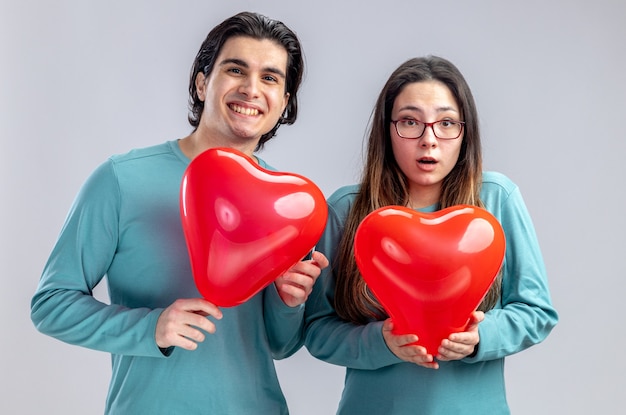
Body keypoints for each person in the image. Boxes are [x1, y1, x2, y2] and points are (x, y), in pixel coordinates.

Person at [31, 11, 328, 415]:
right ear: (202, 82)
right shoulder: (121, 179)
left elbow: (280, 344)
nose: (251, 89)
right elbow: (51, 304)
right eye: (235, 69)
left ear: (284, 103)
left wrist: (287, 301)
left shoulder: (294, 207)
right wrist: (151, 328)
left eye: (271, 78)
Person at [304, 56, 558, 414]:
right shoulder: (346, 210)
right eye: (410, 121)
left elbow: (537, 312)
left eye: (446, 123)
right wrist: (382, 342)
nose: (429, 140)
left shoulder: (497, 199)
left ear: (464, 131)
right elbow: (316, 330)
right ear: (387, 129)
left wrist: (479, 338)